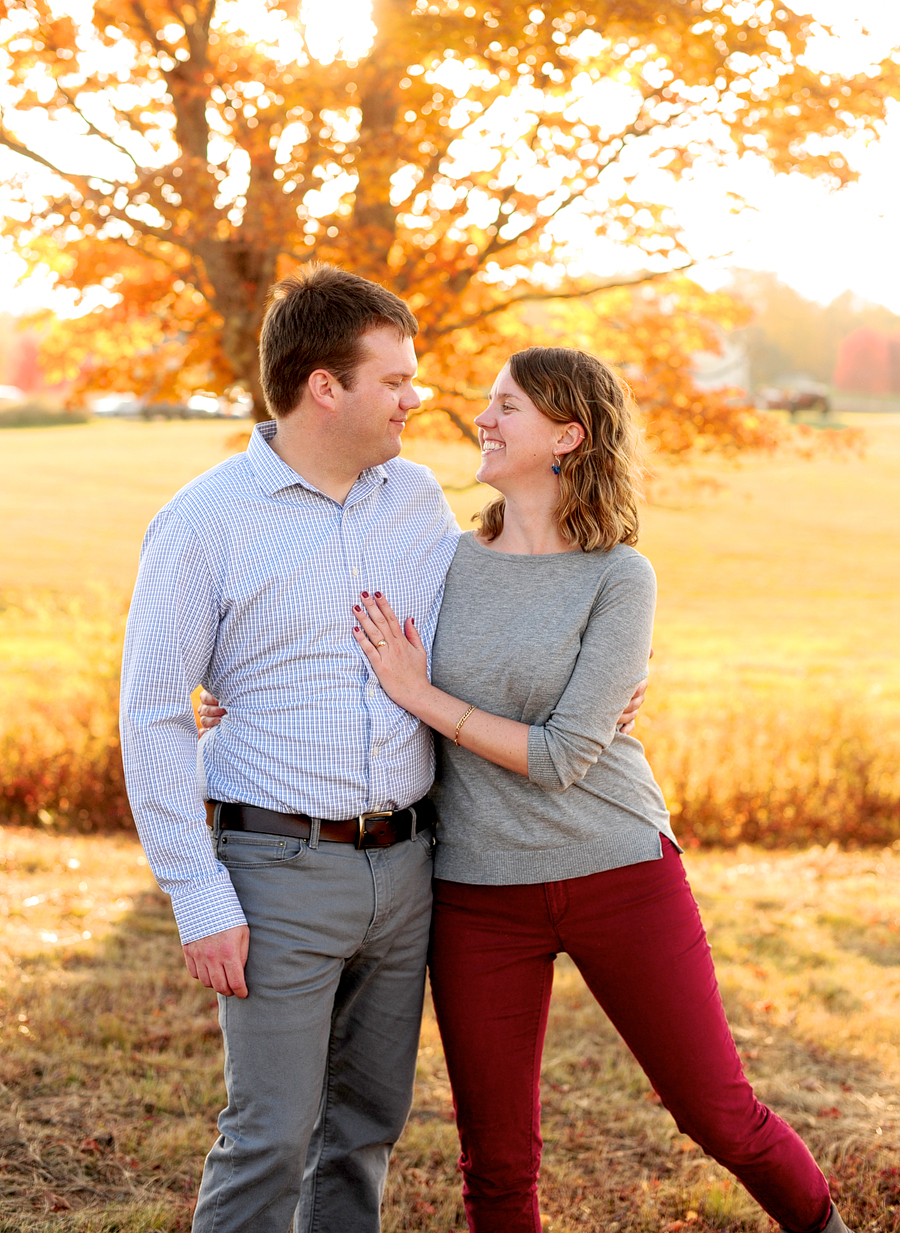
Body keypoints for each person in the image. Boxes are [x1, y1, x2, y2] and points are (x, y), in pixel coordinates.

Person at [122, 262, 648, 1233]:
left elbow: (482, 627)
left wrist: (596, 690)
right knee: (271, 1135)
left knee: (364, 1129)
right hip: (278, 864)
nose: (419, 399)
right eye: (397, 380)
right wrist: (197, 891)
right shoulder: (203, 522)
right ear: (327, 387)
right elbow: (151, 711)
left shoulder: (413, 499)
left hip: (410, 866)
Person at [320, 347, 852, 1233]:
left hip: (619, 872)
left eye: (506, 406)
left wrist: (427, 697)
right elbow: (346, 657)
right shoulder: (442, 561)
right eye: (488, 403)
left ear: (568, 435)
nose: (482, 419)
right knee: (496, 1158)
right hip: (478, 893)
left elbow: (566, 755)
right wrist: (235, 705)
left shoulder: (617, 575)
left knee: (717, 1114)